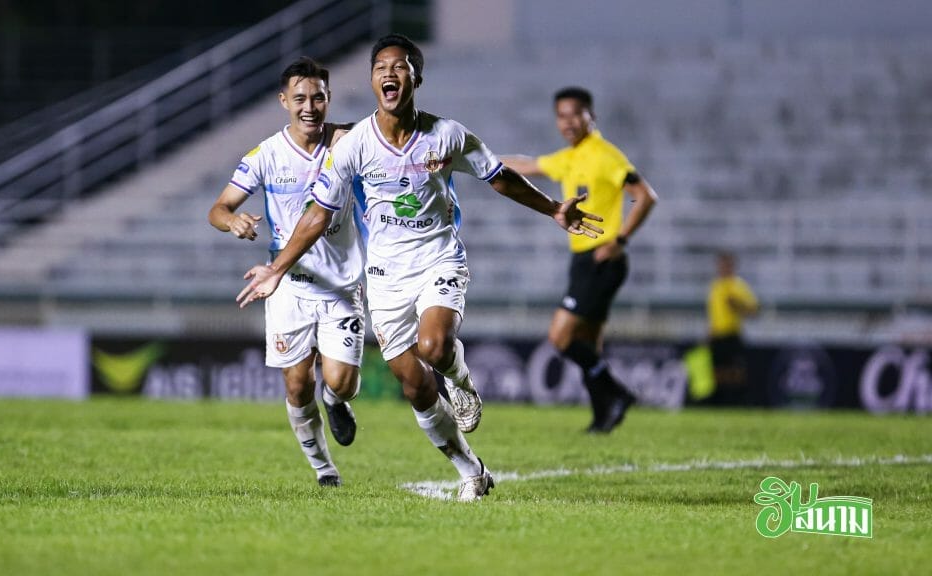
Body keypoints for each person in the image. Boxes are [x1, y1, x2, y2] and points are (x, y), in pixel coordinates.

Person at [237, 34, 603, 501]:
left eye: (400, 66)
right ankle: (472, 471)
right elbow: (317, 215)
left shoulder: (447, 135)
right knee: (413, 385)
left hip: (438, 259)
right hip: (386, 278)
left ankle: (461, 380)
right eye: (380, 68)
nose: (389, 73)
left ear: (417, 78)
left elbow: (499, 177)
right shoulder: (354, 146)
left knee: (433, 345)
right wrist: (278, 268)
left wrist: (552, 208)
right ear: (373, 81)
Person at [208, 57, 365, 488]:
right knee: (297, 385)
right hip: (288, 285)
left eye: (318, 97)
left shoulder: (348, 143)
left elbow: (386, 135)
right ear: (283, 101)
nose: (309, 107)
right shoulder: (266, 155)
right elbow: (218, 208)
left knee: (342, 382)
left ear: (329, 99)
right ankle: (324, 470)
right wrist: (233, 221)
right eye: (300, 99)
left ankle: (335, 400)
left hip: (340, 285)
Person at [502, 86, 657, 434]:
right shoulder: (570, 157)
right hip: (584, 260)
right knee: (588, 344)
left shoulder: (605, 155)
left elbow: (645, 196)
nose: (568, 122)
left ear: (591, 116)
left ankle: (617, 393)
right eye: (562, 116)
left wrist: (620, 240)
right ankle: (604, 416)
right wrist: (477, 158)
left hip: (602, 259)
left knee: (560, 337)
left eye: (575, 114)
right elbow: (527, 165)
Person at [707, 250, 759, 404]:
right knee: (717, 371)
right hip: (717, 336)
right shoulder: (716, 286)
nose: (723, 268)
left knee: (735, 372)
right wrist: (709, 332)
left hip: (732, 334)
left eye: (726, 265)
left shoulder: (738, 285)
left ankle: (736, 400)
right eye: (721, 265)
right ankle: (720, 401)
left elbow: (754, 311)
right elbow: (713, 314)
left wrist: (737, 305)